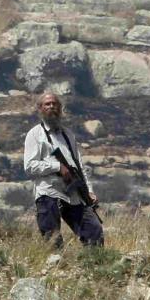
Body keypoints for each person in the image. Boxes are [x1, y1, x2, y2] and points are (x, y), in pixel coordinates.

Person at [23, 92, 103, 247]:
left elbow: (79, 166)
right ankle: (55, 269)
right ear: (40, 108)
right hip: (49, 192)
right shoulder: (35, 134)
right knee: (53, 240)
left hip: (73, 194)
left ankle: (95, 266)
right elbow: (30, 166)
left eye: (55, 104)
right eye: (47, 104)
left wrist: (89, 191)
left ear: (60, 108)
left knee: (94, 232)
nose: (51, 107)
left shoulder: (68, 135)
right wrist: (57, 167)